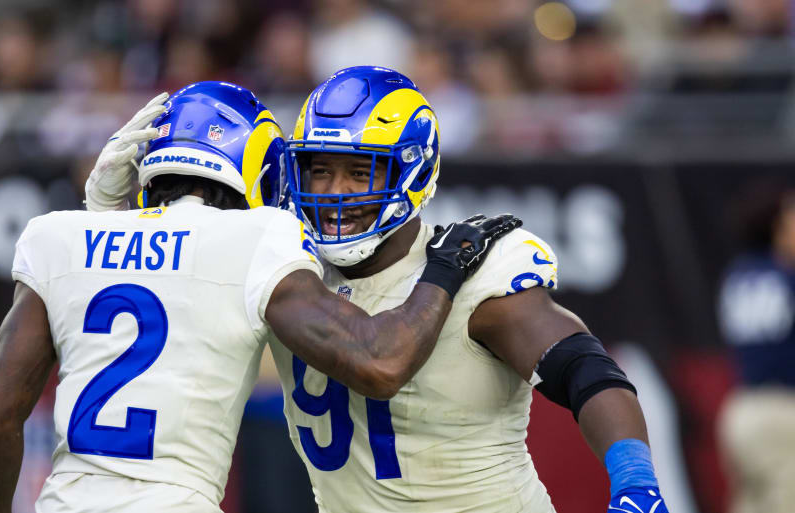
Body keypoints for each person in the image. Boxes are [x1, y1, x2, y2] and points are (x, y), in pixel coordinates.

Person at [0, 82, 518, 513]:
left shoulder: (55, 236)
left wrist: (102, 224)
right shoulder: (259, 239)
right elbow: (379, 359)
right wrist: (447, 268)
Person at [264, 66, 669, 512]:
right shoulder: (288, 271)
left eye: (361, 173)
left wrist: (636, 482)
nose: (335, 192)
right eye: (319, 170)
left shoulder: (475, 267)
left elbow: (583, 370)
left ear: (412, 172)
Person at [717, 183, 795, 513]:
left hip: (742, 410)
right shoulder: (787, 278)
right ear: (776, 225)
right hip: (783, 414)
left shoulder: (738, 275)